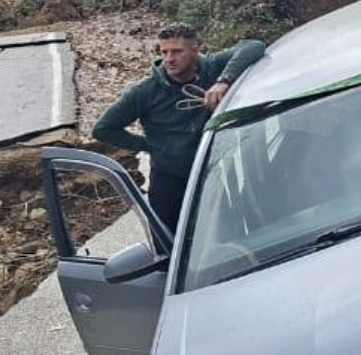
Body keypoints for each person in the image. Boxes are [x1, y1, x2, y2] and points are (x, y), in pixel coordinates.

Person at [93, 24, 266, 231]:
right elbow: (103, 129)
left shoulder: (212, 67)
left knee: (223, 235)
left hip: (211, 174)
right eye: (164, 52)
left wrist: (223, 82)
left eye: (177, 51)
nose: (169, 59)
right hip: (169, 181)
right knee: (168, 245)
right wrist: (153, 146)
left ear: (195, 50)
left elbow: (254, 46)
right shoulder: (145, 91)